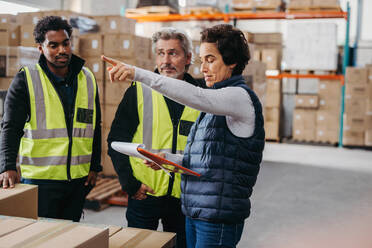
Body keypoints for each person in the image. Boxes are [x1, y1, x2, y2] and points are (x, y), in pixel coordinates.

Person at [103, 23, 265, 248]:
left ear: (232, 61)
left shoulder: (237, 97)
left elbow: (196, 96)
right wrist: (167, 161)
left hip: (216, 214)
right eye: (203, 61)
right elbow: (204, 160)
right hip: (196, 208)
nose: (204, 68)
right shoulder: (214, 101)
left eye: (210, 60)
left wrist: (137, 73)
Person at [107, 27, 202, 248]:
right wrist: (130, 184)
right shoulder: (139, 90)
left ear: (188, 58)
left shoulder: (201, 96)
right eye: (160, 53)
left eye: (173, 53)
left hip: (185, 197)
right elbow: (115, 141)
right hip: (144, 194)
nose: (166, 60)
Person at [0, 16, 102, 222]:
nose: (62, 50)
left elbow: (95, 126)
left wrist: (94, 166)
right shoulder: (26, 79)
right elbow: (10, 127)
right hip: (41, 180)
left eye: (65, 43)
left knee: (71, 235)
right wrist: (7, 166)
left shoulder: (88, 78)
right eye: (53, 45)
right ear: (40, 48)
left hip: (77, 179)